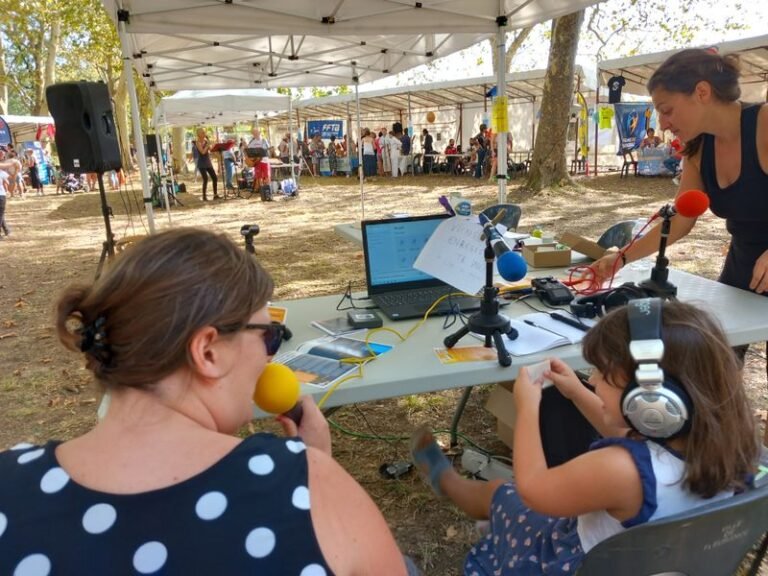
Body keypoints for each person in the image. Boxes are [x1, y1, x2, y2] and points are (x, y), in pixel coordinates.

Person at [0, 228, 412, 575]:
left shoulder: (9, 484)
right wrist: (314, 471)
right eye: (268, 337)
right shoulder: (308, 484)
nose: (270, 356)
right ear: (208, 352)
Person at [411, 299, 758, 575]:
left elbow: (534, 490)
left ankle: (448, 483)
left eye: (602, 375)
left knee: (503, 492)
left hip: (577, 562)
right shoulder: (734, 447)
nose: (592, 379)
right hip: (662, 562)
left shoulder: (619, 469)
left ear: (650, 400)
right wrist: (577, 392)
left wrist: (528, 407)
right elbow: (628, 435)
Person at [592, 47, 768, 388]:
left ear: (702, 93)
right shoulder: (698, 150)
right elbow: (680, 220)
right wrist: (621, 258)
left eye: (667, 110)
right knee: (716, 367)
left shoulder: (764, 123)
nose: (663, 123)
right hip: (743, 263)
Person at [194, 128, 219, 201]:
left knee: (214, 178)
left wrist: (214, 147)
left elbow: (211, 150)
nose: (204, 134)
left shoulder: (206, 141)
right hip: (201, 163)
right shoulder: (197, 142)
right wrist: (207, 145)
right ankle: (204, 196)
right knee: (205, 179)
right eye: (203, 133)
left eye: (204, 132)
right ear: (199, 134)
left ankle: (215, 194)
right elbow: (202, 152)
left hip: (208, 162)